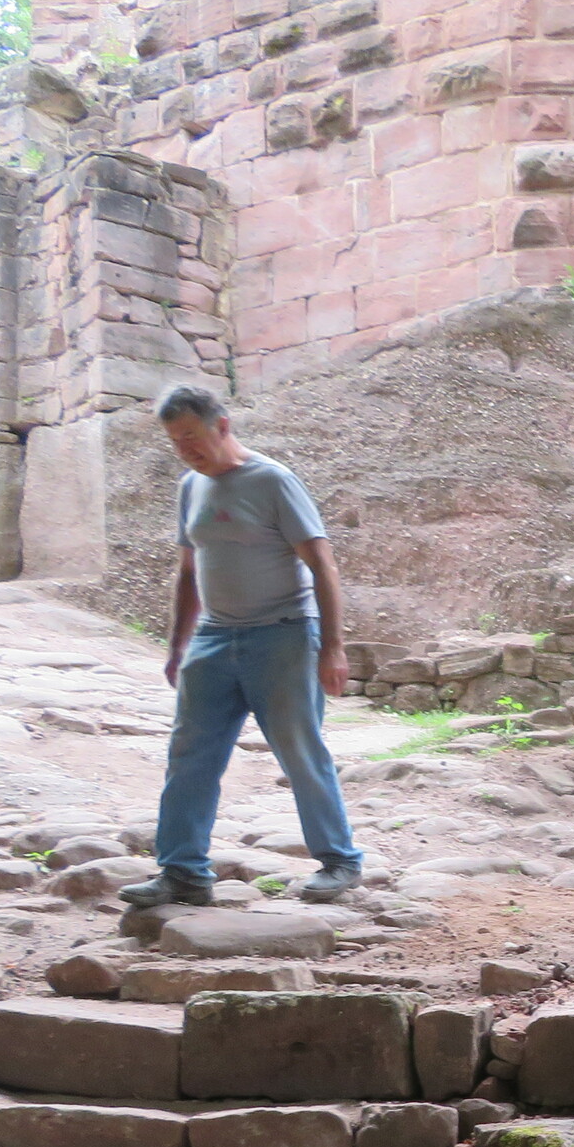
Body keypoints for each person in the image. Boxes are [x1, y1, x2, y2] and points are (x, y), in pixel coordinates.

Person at [121, 384, 363, 908]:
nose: (184, 449)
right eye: (174, 440)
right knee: (190, 755)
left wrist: (332, 647)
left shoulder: (272, 481)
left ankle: (339, 861)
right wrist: (178, 646)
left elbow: (323, 565)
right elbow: (188, 572)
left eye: (191, 436)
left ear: (223, 426)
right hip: (213, 638)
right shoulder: (191, 486)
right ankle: (182, 872)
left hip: (283, 634)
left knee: (300, 752)